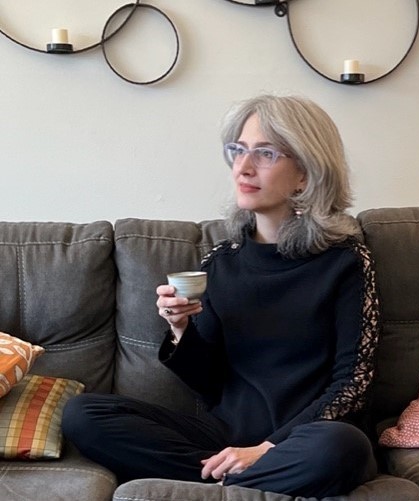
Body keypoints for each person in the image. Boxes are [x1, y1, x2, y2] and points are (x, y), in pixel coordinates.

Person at [62, 94, 381, 498]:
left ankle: (220, 482)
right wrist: (180, 329)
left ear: (305, 173)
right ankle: (233, 478)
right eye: (238, 150)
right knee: (83, 414)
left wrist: (268, 449)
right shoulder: (220, 262)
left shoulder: (346, 261)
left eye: (265, 153)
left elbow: (354, 383)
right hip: (226, 437)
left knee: (342, 447)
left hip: (306, 438)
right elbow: (210, 386)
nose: (243, 168)